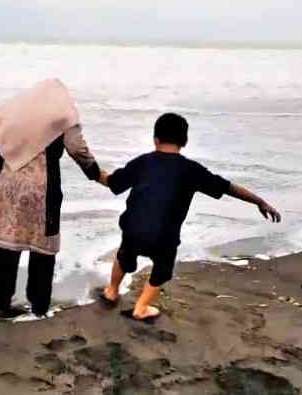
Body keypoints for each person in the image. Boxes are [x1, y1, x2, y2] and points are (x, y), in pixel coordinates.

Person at [99, 113, 281, 321]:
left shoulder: (142, 163)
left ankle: (112, 291)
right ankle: (141, 307)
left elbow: (112, 182)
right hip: (164, 235)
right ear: (184, 141)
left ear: (155, 138)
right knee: (162, 268)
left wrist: (92, 170)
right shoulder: (191, 170)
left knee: (125, 255)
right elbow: (228, 188)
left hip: (133, 228)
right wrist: (259, 201)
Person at [0, 79, 106, 318]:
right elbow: (76, 147)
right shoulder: (63, 114)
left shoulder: (16, 110)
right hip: (42, 187)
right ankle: (38, 306)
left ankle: (2, 303)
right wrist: (95, 173)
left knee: (8, 242)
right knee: (43, 248)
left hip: (9, 184)